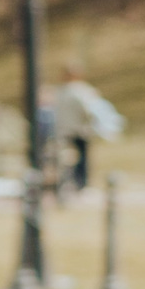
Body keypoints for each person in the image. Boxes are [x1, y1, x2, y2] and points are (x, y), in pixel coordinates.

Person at [53, 64, 125, 193]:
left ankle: (69, 183)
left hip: (64, 130)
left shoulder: (60, 91)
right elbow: (88, 110)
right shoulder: (79, 91)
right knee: (81, 158)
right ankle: (81, 184)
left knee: (67, 158)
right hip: (79, 130)